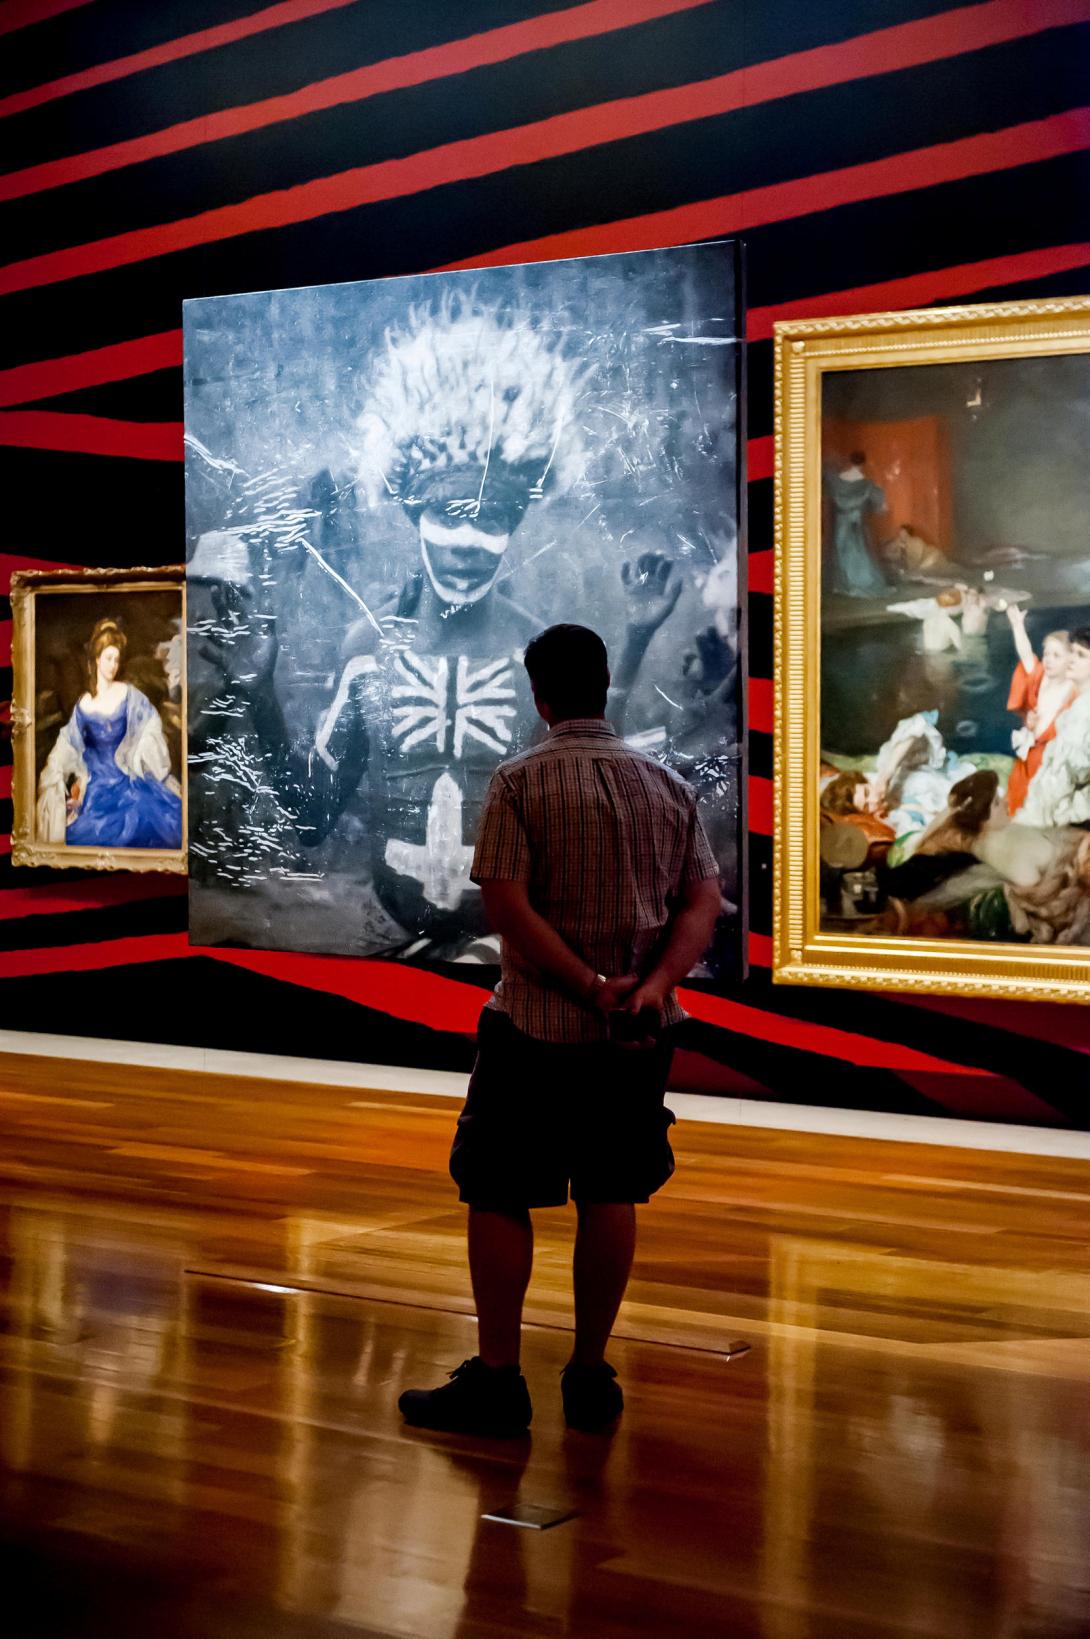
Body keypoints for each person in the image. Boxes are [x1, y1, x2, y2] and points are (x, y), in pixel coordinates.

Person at [193, 298, 684, 959]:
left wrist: (636, 642)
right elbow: (311, 817)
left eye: (494, 519)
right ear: (411, 508)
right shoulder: (369, 651)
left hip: (514, 952)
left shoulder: (535, 654)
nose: (466, 543)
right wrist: (261, 696)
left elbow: (599, 797)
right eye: (449, 513)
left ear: (516, 525)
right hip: (386, 940)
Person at [397, 624, 721, 1437]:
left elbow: (506, 905)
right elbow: (702, 903)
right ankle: (589, 1370)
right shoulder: (666, 784)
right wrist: (648, 988)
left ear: (537, 694)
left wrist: (585, 985)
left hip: (536, 1026)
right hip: (640, 1033)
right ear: (604, 684)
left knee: (498, 1186)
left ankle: (500, 1381)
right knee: (612, 1187)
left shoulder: (517, 781)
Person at [36, 618, 182, 850]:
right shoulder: (84, 705)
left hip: (127, 780)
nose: (113, 665)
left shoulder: (128, 695)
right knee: (85, 834)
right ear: (96, 660)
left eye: (116, 659)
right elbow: (69, 745)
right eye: (108, 658)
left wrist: (138, 754)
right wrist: (60, 775)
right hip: (96, 788)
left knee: (147, 820)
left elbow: (151, 726)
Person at [1017, 626, 1090, 828]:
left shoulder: (1085, 713)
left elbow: (1064, 778)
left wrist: (1033, 819)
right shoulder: (1080, 702)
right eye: (1072, 652)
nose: (1072, 659)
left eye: (1081, 655)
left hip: (1070, 817)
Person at [1004, 607, 1074, 815]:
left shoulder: (1073, 689)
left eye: (1056, 655)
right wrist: (1017, 626)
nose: (1049, 660)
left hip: (1054, 759)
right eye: (1047, 654)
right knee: (1020, 796)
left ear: (1070, 661)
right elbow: (1026, 654)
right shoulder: (1041, 677)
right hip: (1032, 751)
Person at [824, 450, 888, 596]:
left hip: (841, 521)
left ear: (850, 461)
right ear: (863, 463)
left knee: (842, 550)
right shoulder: (865, 483)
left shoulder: (839, 479)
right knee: (859, 550)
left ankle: (844, 584)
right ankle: (859, 581)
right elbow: (879, 505)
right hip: (856, 521)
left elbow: (833, 495)